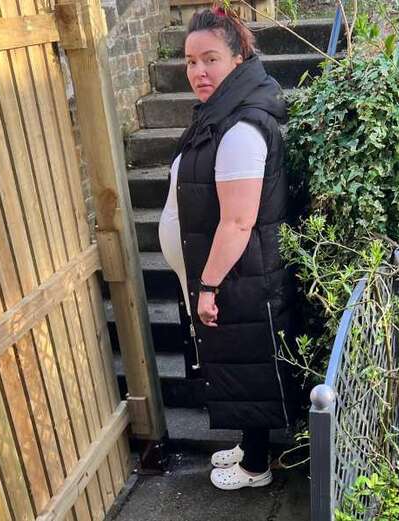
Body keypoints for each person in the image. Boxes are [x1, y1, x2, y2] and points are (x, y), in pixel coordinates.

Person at [157, 6, 298, 491]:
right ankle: (249, 446)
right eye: (190, 61)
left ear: (238, 59)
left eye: (210, 59)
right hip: (232, 273)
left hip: (237, 273)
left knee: (246, 362)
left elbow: (238, 222)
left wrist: (208, 284)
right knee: (239, 362)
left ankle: (256, 466)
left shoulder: (240, 129)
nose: (197, 71)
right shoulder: (222, 115)